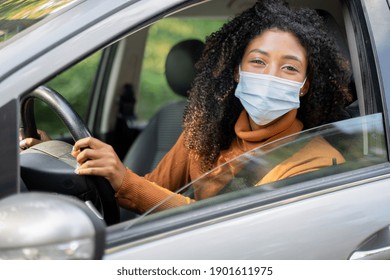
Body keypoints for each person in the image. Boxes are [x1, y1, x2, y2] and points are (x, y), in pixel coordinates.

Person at [21, 0, 352, 214]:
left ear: (306, 84)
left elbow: (236, 228)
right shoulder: (206, 130)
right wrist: (61, 156)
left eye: (289, 68)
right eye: (258, 62)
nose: (270, 77)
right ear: (237, 71)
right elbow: (150, 191)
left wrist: (125, 180)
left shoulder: (318, 161)